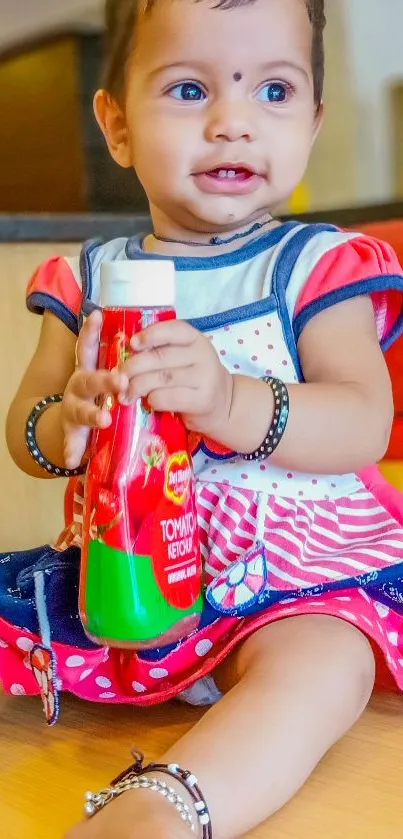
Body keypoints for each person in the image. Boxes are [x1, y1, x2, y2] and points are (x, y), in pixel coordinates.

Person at [1, 0, 403, 836]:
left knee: (328, 662)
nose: (231, 123)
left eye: (273, 91)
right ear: (115, 125)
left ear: (313, 121)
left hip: (293, 584)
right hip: (121, 585)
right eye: (188, 90)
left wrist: (228, 400)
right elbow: (27, 431)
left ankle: (167, 806)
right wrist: (63, 424)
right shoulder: (86, 282)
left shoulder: (317, 267)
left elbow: (364, 419)